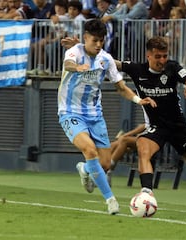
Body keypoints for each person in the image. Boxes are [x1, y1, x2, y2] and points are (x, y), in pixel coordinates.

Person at [58, 19, 156, 215]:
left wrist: (138, 100)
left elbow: (120, 87)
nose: (98, 44)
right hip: (70, 112)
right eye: (94, 40)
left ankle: (86, 170)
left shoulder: (106, 59)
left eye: (101, 40)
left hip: (95, 116)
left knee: (104, 164)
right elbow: (68, 63)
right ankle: (110, 200)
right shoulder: (75, 52)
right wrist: (77, 68)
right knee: (89, 150)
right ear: (86, 38)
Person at [114, 36, 186, 210]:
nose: (162, 60)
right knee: (143, 147)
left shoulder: (172, 68)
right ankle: (146, 193)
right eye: (158, 56)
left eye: (165, 56)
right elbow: (113, 62)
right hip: (156, 127)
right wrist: (84, 49)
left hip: (178, 126)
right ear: (148, 55)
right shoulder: (137, 69)